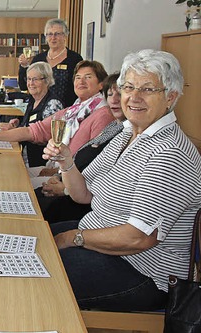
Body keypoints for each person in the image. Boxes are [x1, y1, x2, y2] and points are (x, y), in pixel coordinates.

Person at [46, 49, 201, 311]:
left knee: (35, 273)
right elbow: (83, 194)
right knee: (29, 240)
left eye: (148, 89)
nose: (134, 97)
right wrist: (66, 161)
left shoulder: (169, 153)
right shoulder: (127, 134)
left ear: (170, 97)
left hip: (143, 272)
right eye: (128, 87)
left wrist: (74, 237)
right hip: (99, 239)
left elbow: (138, 238)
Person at [0, 60, 114, 184]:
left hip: (69, 181)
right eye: (78, 77)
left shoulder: (103, 115)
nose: (81, 81)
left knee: (11, 182)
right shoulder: (73, 110)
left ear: (101, 83)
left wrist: (57, 175)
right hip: (56, 169)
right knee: (5, 175)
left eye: (88, 77)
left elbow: (93, 163)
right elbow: (33, 130)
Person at [38, 73, 124, 223]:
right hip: (70, 188)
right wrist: (60, 176)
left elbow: (100, 184)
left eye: (121, 94)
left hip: (81, 206)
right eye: (110, 94)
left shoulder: (120, 130)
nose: (114, 100)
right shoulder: (113, 126)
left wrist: (64, 189)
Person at [7, 62, 64, 167]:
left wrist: (20, 132)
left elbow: (48, 138)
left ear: (46, 81)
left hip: (41, 164)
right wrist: (19, 124)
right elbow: (31, 124)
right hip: (25, 157)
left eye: (35, 79)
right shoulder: (33, 100)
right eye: (28, 79)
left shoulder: (53, 104)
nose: (30, 83)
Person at [18, 18, 83, 107]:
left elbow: (80, 86)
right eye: (49, 34)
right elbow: (23, 86)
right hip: (38, 110)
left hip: (65, 110)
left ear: (65, 36)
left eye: (57, 34)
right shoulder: (38, 59)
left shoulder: (75, 59)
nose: (53, 38)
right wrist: (24, 66)